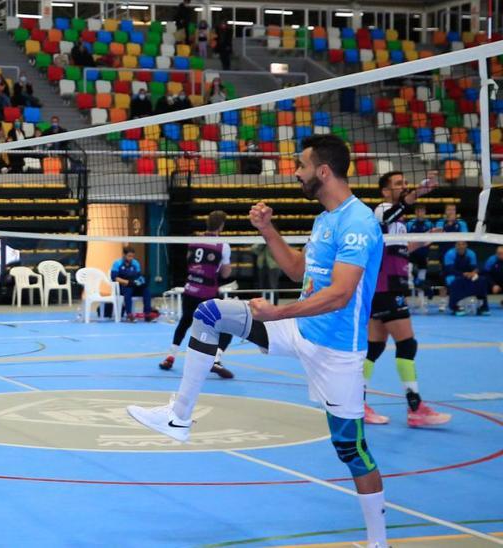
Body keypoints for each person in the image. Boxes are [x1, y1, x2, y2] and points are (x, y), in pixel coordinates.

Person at [126, 134, 390, 548]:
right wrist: (268, 230)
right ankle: (179, 417)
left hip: (335, 351)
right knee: (209, 313)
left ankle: (378, 542)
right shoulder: (325, 220)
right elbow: (298, 270)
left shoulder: (358, 223)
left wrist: (277, 312)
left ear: (323, 171)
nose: (296, 173)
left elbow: (340, 294)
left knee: (351, 449)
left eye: (301, 166)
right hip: (298, 331)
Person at [363, 171, 451, 427]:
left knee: (374, 347)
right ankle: (416, 408)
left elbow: (399, 248)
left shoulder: (398, 221)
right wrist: (417, 194)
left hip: (387, 288)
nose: (403, 187)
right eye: (398, 184)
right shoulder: (381, 210)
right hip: (384, 288)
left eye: (404, 183)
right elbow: (386, 220)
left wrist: (423, 241)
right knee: (407, 344)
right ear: (385, 191)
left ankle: (358, 404)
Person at [159, 211, 235, 378]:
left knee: (185, 321)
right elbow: (225, 274)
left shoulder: (193, 242)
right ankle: (215, 360)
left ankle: (170, 356)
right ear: (221, 225)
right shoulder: (223, 245)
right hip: (208, 293)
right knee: (227, 326)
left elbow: (189, 261)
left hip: (190, 289)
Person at [443, 241, 490, 315]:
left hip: (468, 275)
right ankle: (456, 306)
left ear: (466, 245)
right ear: (455, 246)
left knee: (482, 280)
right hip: (453, 274)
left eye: (463, 244)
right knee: (455, 281)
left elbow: (474, 267)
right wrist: (463, 274)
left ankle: (482, 307)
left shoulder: (471, 253)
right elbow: (449, 269)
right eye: (458, 244)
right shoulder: (450, 254)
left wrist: (473, 272)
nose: (461, 246)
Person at [111, 246, 153, 321]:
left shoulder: (135, 263)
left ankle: (147, 314)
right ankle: (129, 314)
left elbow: (139, 276)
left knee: (146, 290)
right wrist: (126, 282)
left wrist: (139, 282)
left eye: (132, 256)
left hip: (134, 285)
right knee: (128, 289)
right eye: (129, 256)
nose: (131, 258)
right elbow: (114, 277)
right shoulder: (117, 263)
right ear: (124, 255)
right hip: (122, 286)